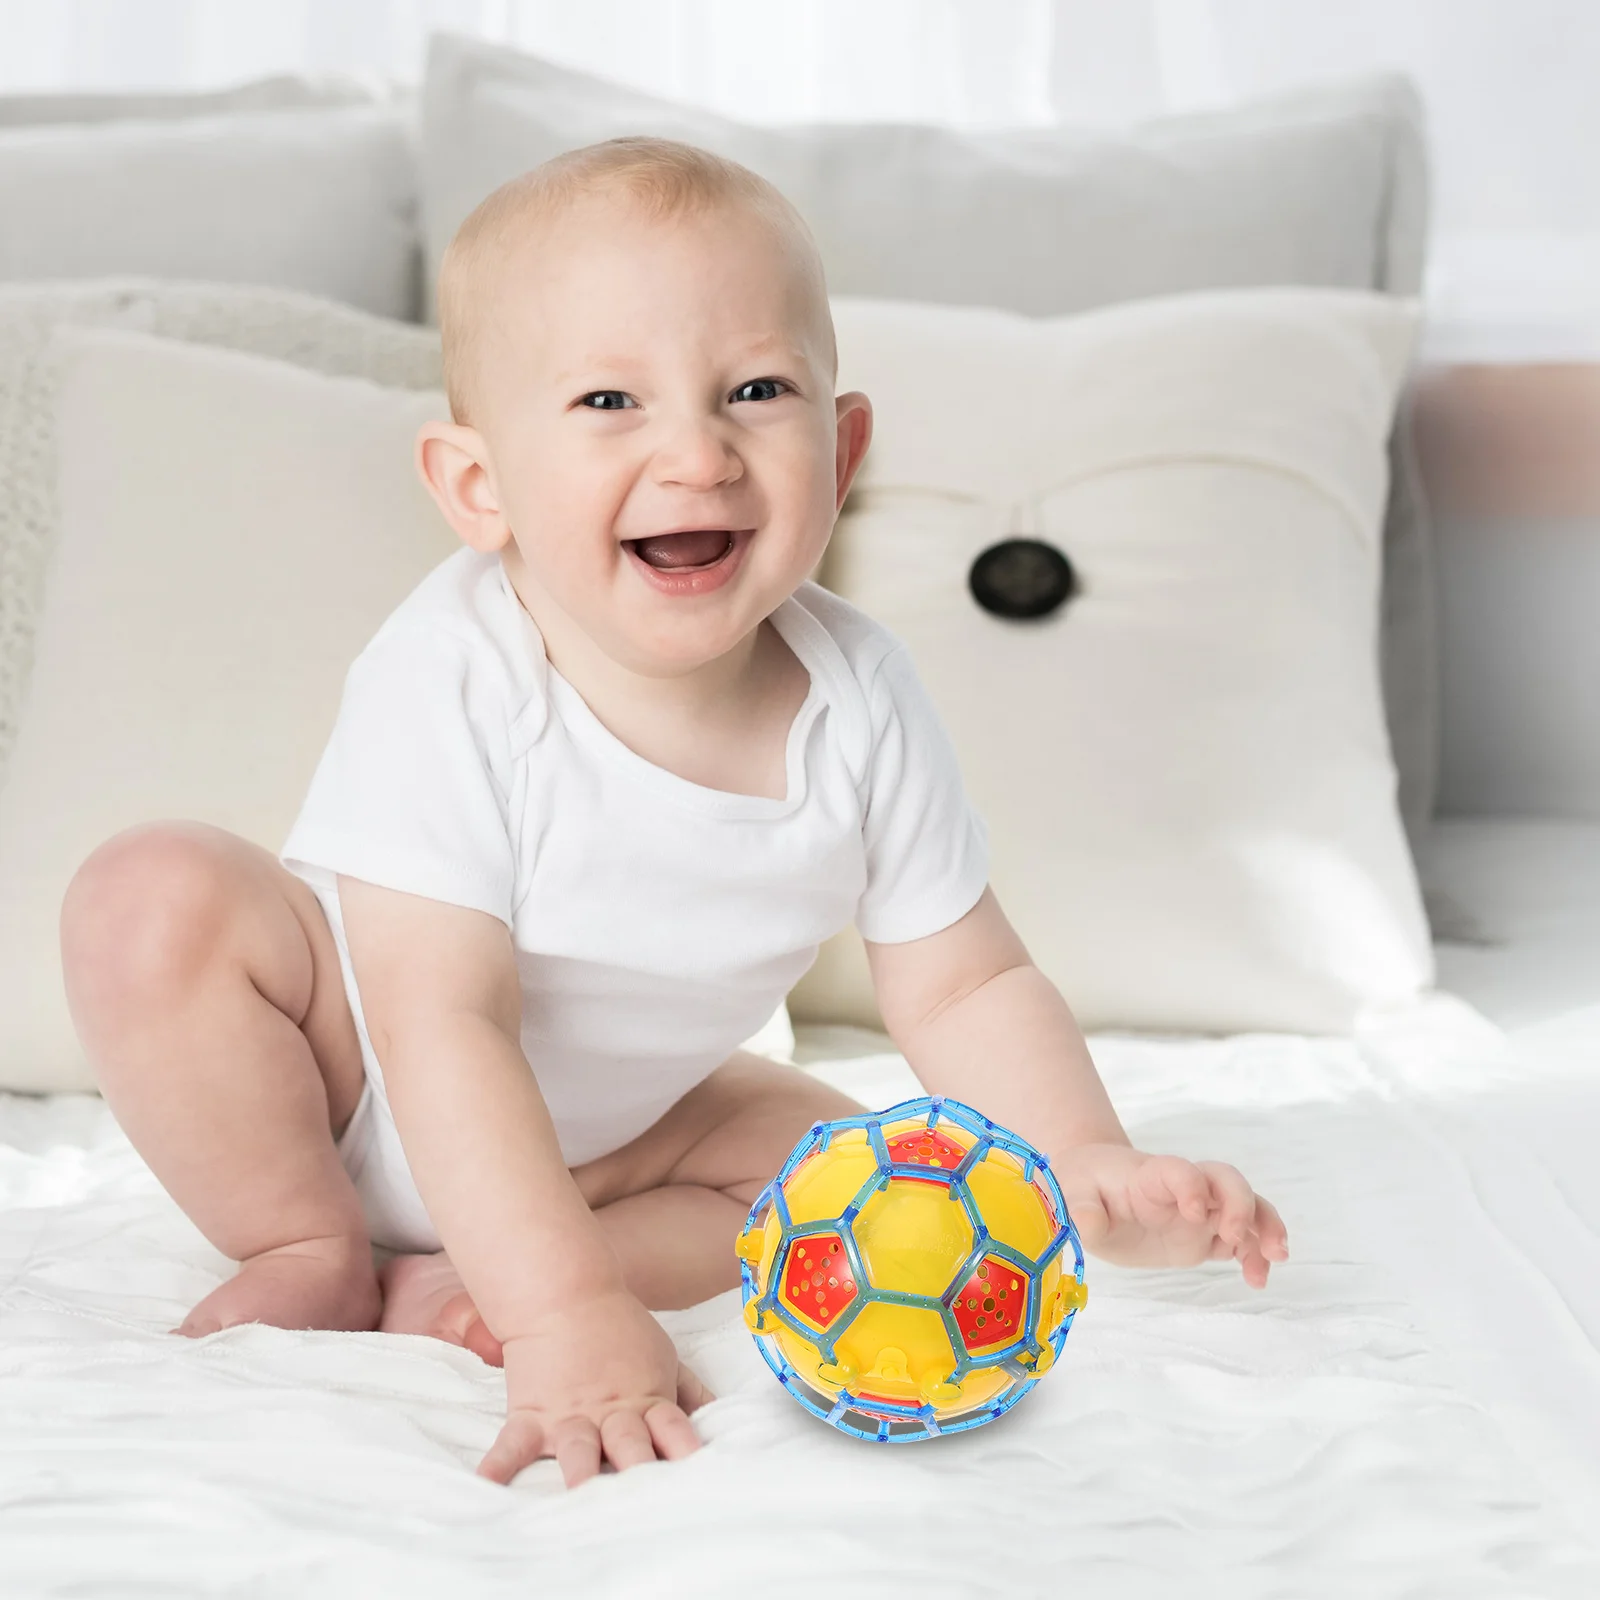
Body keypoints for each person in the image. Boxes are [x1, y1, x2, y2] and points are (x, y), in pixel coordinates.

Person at [60, 137, 1288, 1490]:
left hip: (625, 1136)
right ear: (480, 487)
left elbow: (968, 981)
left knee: (852, 1180)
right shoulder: (454, 674)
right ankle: (311, 1244)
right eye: (608, 401)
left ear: (846, 444)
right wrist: (570, 1320)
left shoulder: (861, 696)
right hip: (350, 1071)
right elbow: (440, 1022)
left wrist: (1083, 1160)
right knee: (152, 895)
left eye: (757, 390)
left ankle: (465, 1278)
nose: (696, 453)